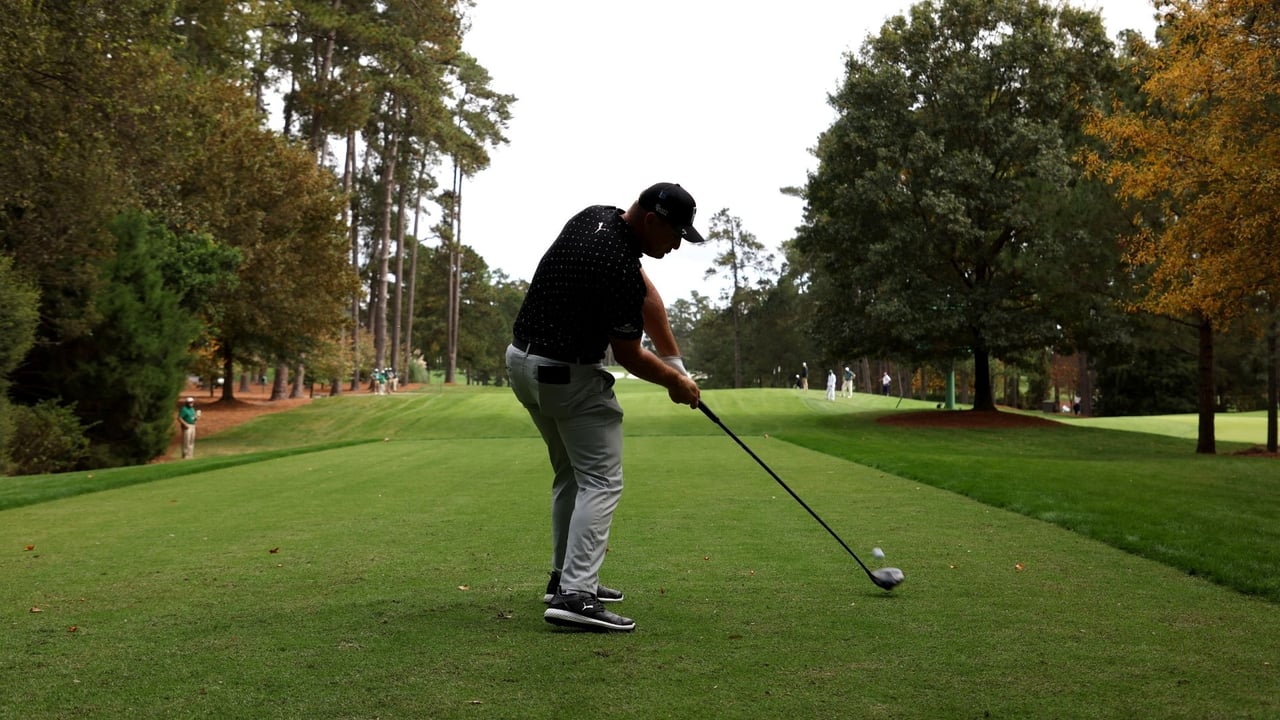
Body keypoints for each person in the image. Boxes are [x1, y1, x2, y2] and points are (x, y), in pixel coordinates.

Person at [507, 182, 704, 633]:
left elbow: (646, 293)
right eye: (676, 235)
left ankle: (564, 579)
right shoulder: (614, 263)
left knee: (571, 474)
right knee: (601, 479)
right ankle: (576, 596)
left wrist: (676, 362)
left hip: (521, 362)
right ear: (652, 221)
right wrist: (675, 382)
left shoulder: (597, 216)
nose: (676, 245)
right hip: (564, 373)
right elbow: (631, 356)